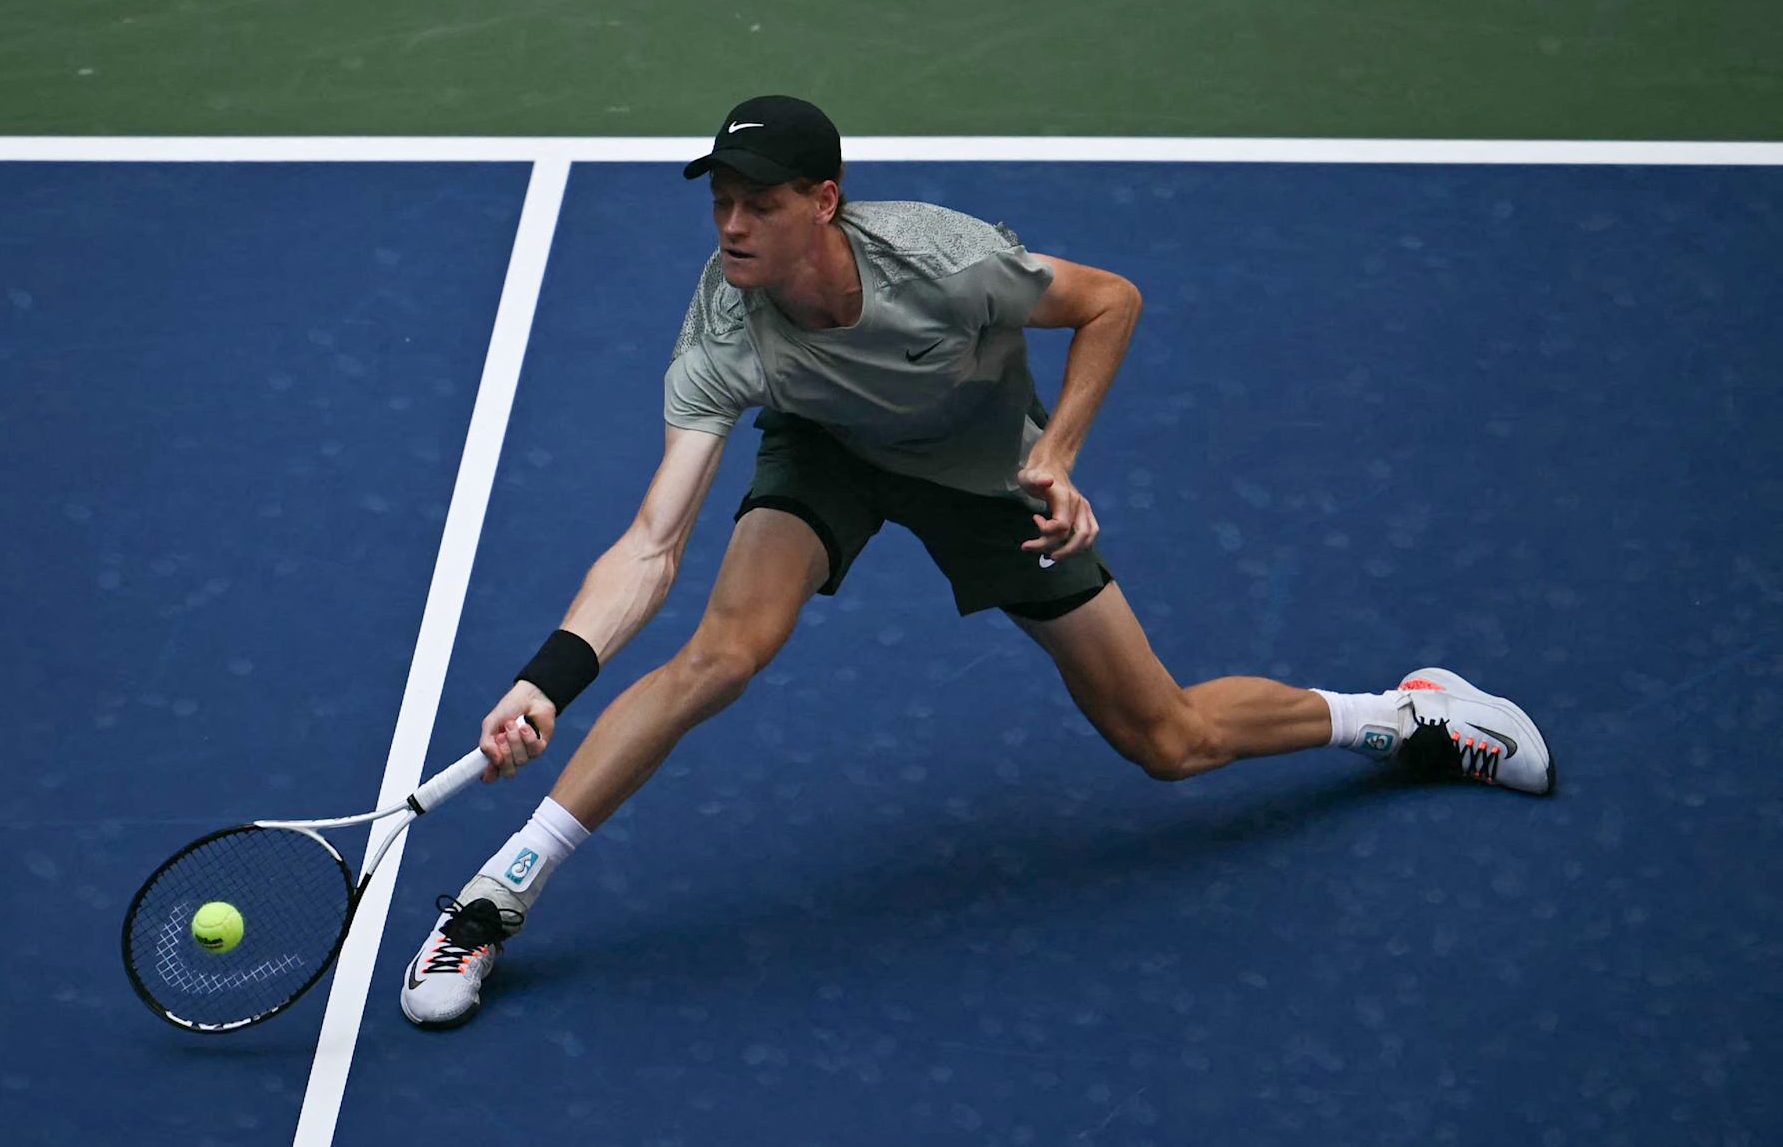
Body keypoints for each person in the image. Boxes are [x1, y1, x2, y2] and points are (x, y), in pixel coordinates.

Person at [400, 95, 1555, 1029]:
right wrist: (546, 680)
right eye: (722, 203)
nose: (732, 225)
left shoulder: (946, 263)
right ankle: (496, 896)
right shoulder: (725, 320)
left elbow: (1111, 301)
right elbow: (652, 543)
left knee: (1170, 740)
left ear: (826, 202)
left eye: (759, 202)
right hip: (829, 454)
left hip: (982, 470)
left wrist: (1054, 456)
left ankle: (1406, 718)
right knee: (723, 651)